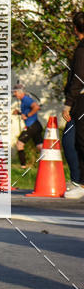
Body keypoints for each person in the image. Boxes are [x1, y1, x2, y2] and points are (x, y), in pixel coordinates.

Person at [62, 11, 84, 200]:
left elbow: (78, 79)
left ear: (76, 28)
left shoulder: (81, 49)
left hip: (80, 102)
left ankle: (79, 182)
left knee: (72, 139)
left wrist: (68, 104)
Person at [12, 84, 43, 168]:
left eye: (15, 92)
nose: (14, 94)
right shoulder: (24, 100)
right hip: (36, 125)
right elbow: (26, 112)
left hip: (31, 126)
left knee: (19, 144)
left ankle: (23, 166)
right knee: (40, 146)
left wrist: (28, 115)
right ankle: (46, 163)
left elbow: (36, 107)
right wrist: (18, 113)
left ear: (20, 92)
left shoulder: (26, 99)